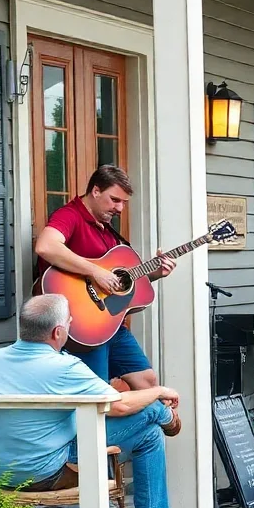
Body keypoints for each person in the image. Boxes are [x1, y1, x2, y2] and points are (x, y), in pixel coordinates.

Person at [0, 296, 197, 508]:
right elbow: (119, 406)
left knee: (145, 427)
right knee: (149, 419)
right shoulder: (65, 367)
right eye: (69, 321)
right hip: (48, 472)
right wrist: (160, 392)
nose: (71, 324)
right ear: (58, 332)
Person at [33, 165, 174, 387]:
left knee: (147, 379)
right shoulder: (70, 215)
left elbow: (115, 283)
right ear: (96, 191)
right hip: (82, 325)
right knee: (98, 395)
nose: (120, 208)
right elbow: (46, 246)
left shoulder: (107, 231)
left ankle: (150, 419)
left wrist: (154, 274)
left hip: (110, 322)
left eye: (124, 203)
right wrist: (95, 271)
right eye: (115, 200)